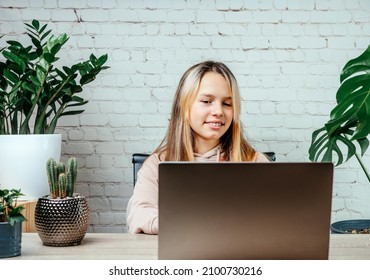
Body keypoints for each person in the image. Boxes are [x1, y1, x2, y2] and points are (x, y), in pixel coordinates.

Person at [126, 61, 270, 234]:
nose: (218, 111)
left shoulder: (255, 162)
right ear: (184, 106)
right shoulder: (158, 163)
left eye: (227, 104)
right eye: (207, 101)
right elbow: (139, 215)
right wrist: (193, 224)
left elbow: (276, 217)